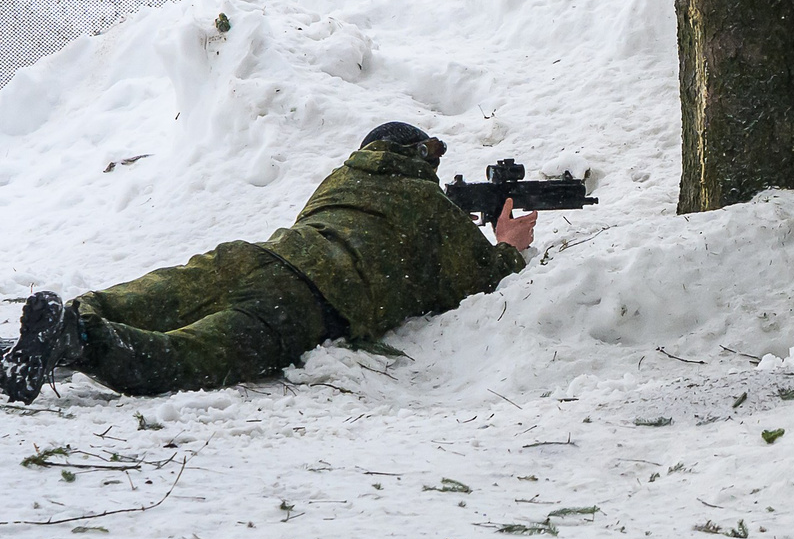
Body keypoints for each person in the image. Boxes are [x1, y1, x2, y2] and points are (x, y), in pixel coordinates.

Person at [1, 124, 537, 403]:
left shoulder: (340, 179)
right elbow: (479, 278)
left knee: (148, 297)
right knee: (188, 354)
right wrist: (507, 244)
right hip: (305, 301)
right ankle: (80, 341)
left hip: (255, 256)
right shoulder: (427, 203)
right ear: (421, 158)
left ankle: (58, 325)